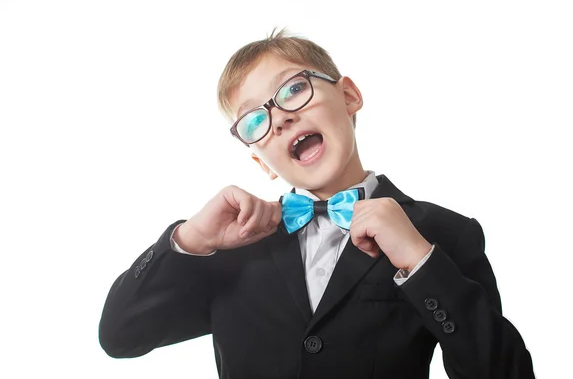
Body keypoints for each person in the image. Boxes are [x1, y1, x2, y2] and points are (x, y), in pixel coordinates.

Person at [99, 29, 535, 378]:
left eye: (292, 90)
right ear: (261, 160)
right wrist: (189, 239)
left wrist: (421, 263)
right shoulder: (236, 244)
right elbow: (120, 337)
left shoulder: (444, 234)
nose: (281, 117)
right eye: (255, 119)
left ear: (349, 97)